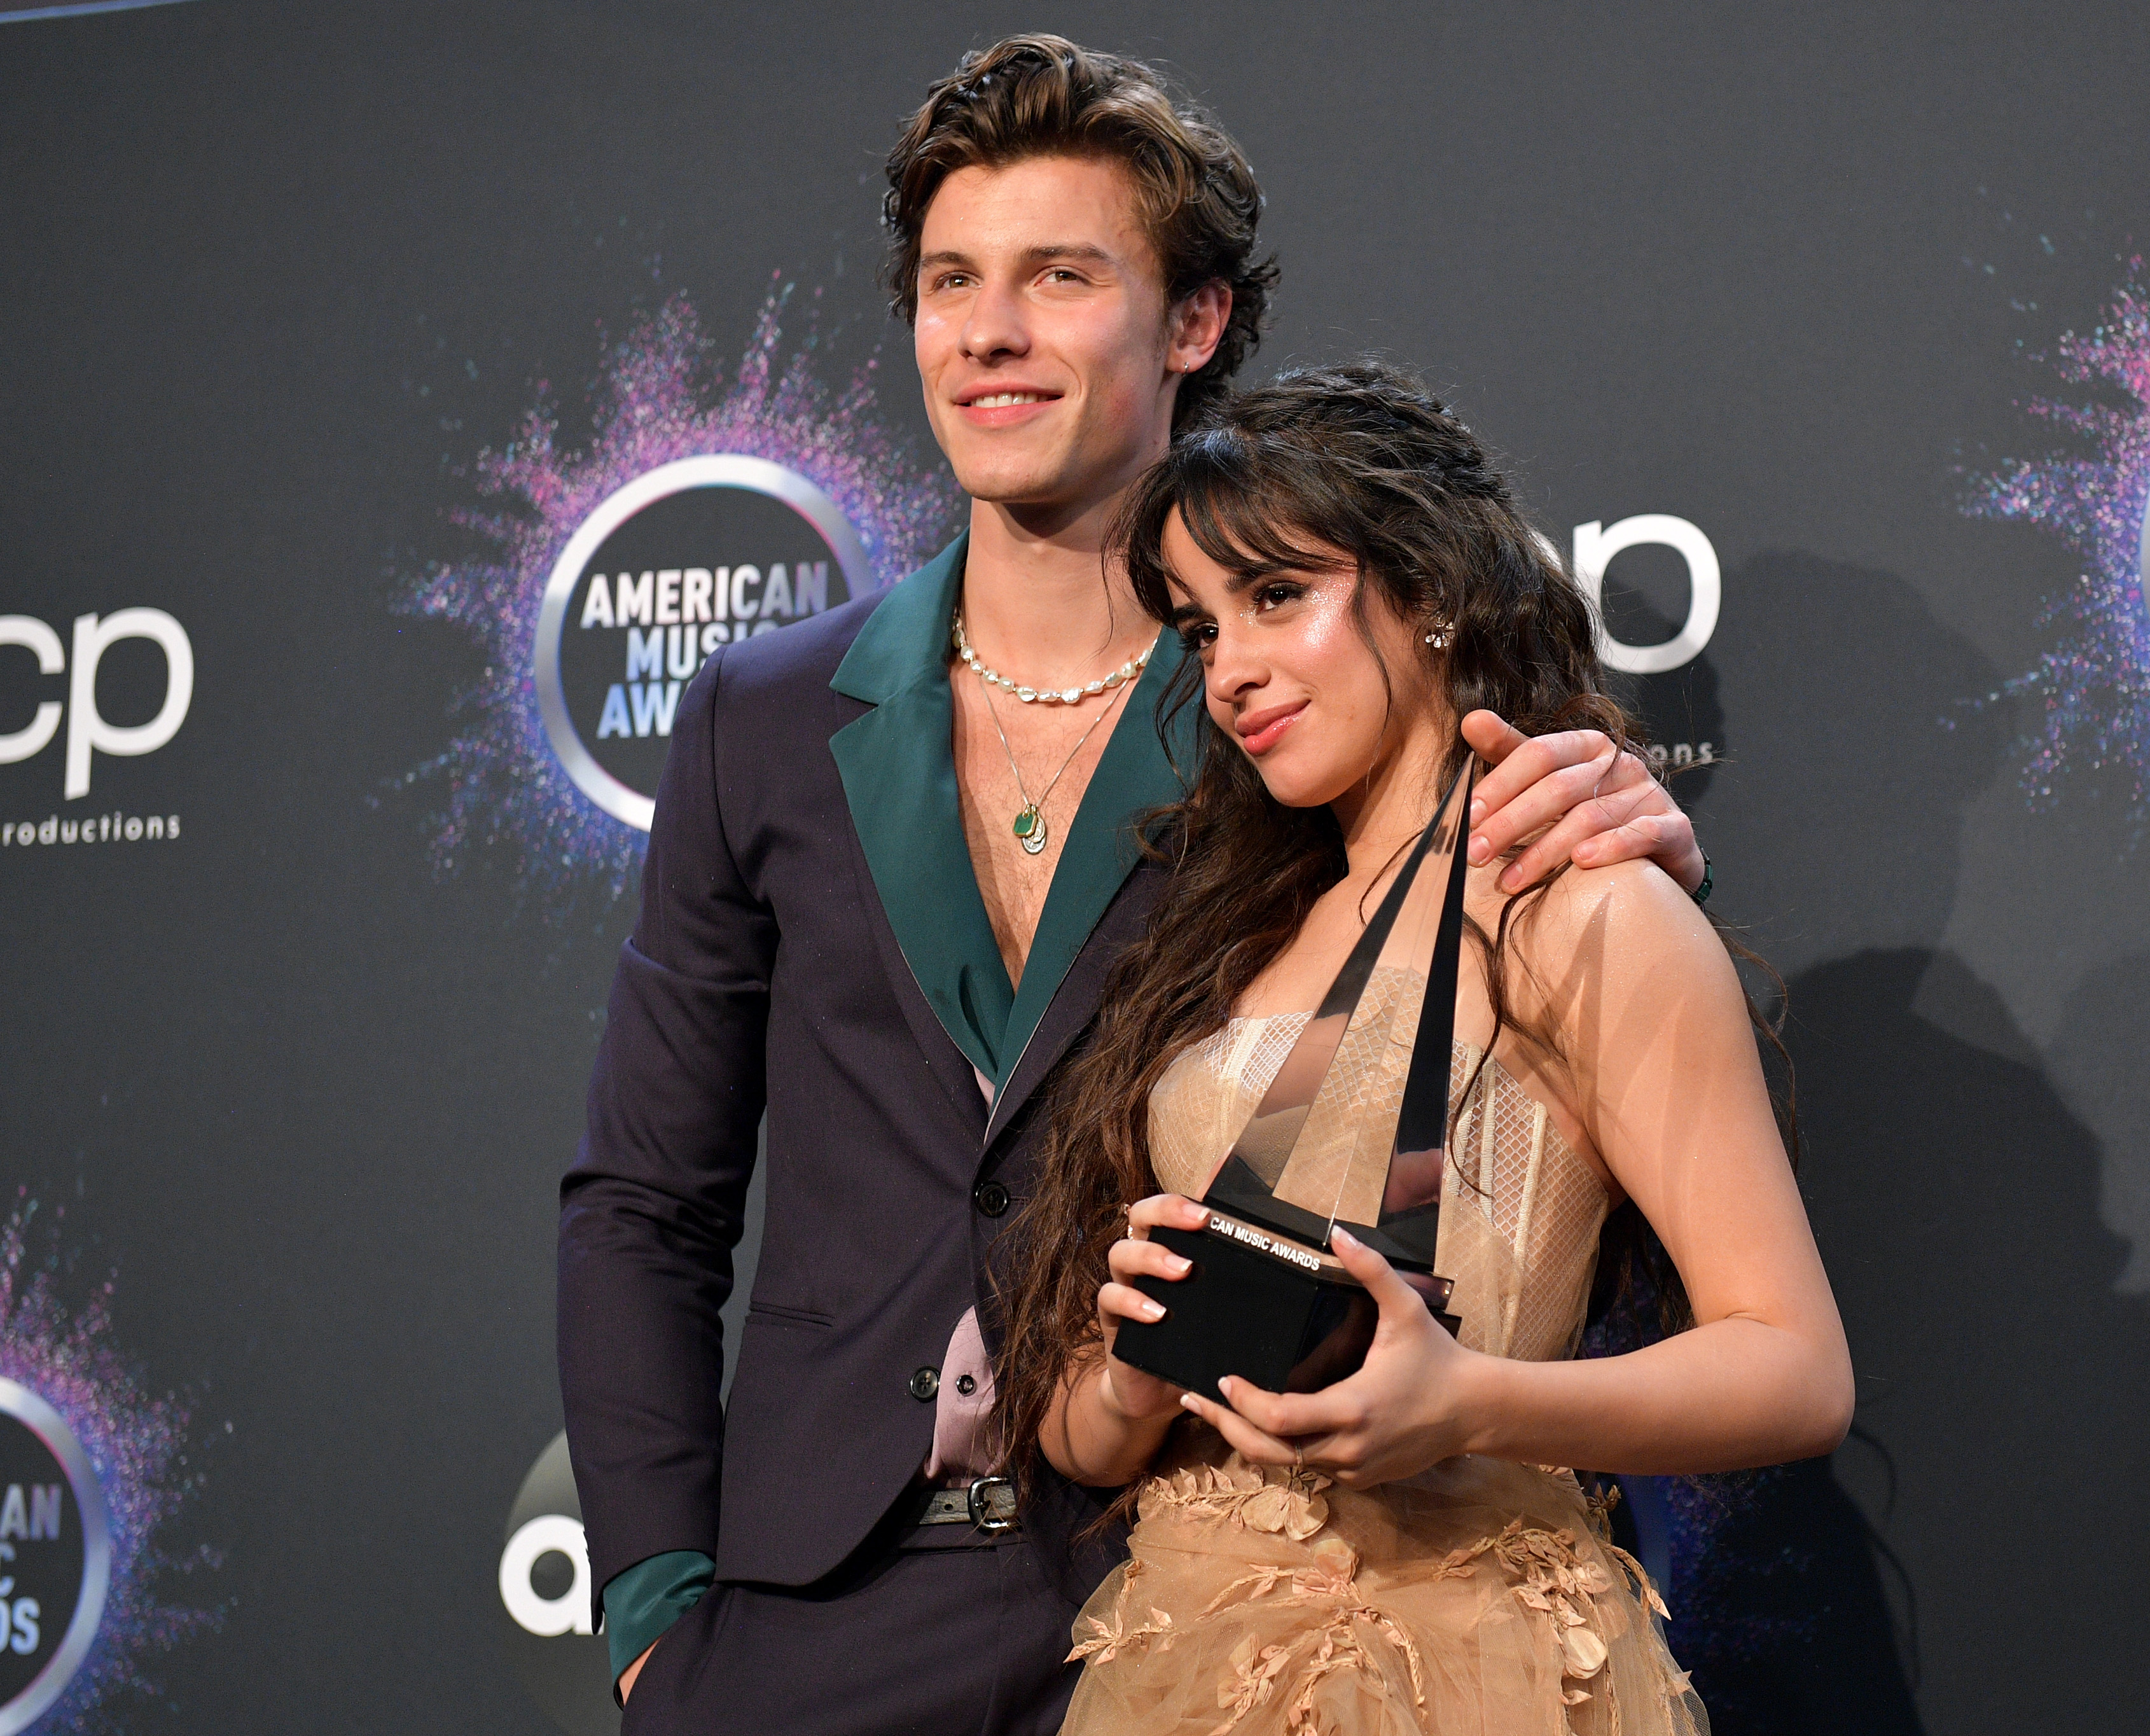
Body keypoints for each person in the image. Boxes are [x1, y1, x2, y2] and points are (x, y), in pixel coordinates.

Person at [557, 38, 1711, 1736]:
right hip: (810, 1615)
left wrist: (1627, 831)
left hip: (1186, 1596)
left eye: (1059, 276)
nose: (990, 333)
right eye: (952, 281)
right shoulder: (763, 718)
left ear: (1195, 325)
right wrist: (659, 1607)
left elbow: (1511, 994)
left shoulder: (1296, 715)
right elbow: (644, 1202)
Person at [991, 363, 1850, 1735]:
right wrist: (1131, 1370)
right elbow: (1079, 1440)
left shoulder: (1579, 904)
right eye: (1199, 629)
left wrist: (1468, 1402)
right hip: (1184, 1654)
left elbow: (1794, 1368)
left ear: (1433, 589)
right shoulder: (1225, 931)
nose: (1234, 671)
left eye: (1276, 596)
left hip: (1469, 1660)